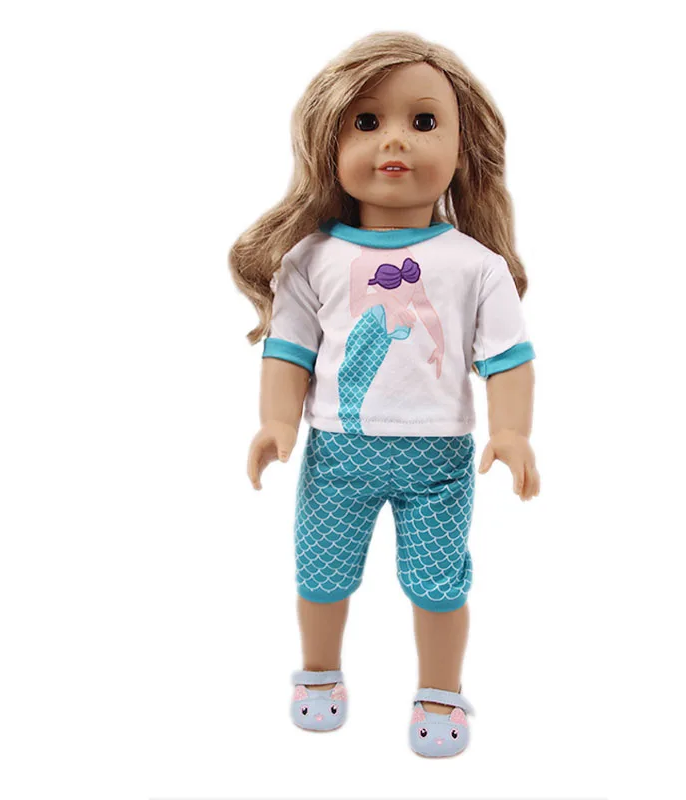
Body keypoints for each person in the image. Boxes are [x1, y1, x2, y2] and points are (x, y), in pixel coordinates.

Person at [229, 30, 540, 758]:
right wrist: (277, 421)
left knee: (439, 584)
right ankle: (318, 674)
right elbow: (289, 349)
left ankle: (440, 691)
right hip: (338, 452)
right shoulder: (311, 257)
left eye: (423, 121)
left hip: (439, 461)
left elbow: (508, 358)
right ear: (327, 144)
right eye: (366, 122)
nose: (394, 140)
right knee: (321, 573)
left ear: (463, 149)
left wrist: (512, 432)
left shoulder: (476, 265)